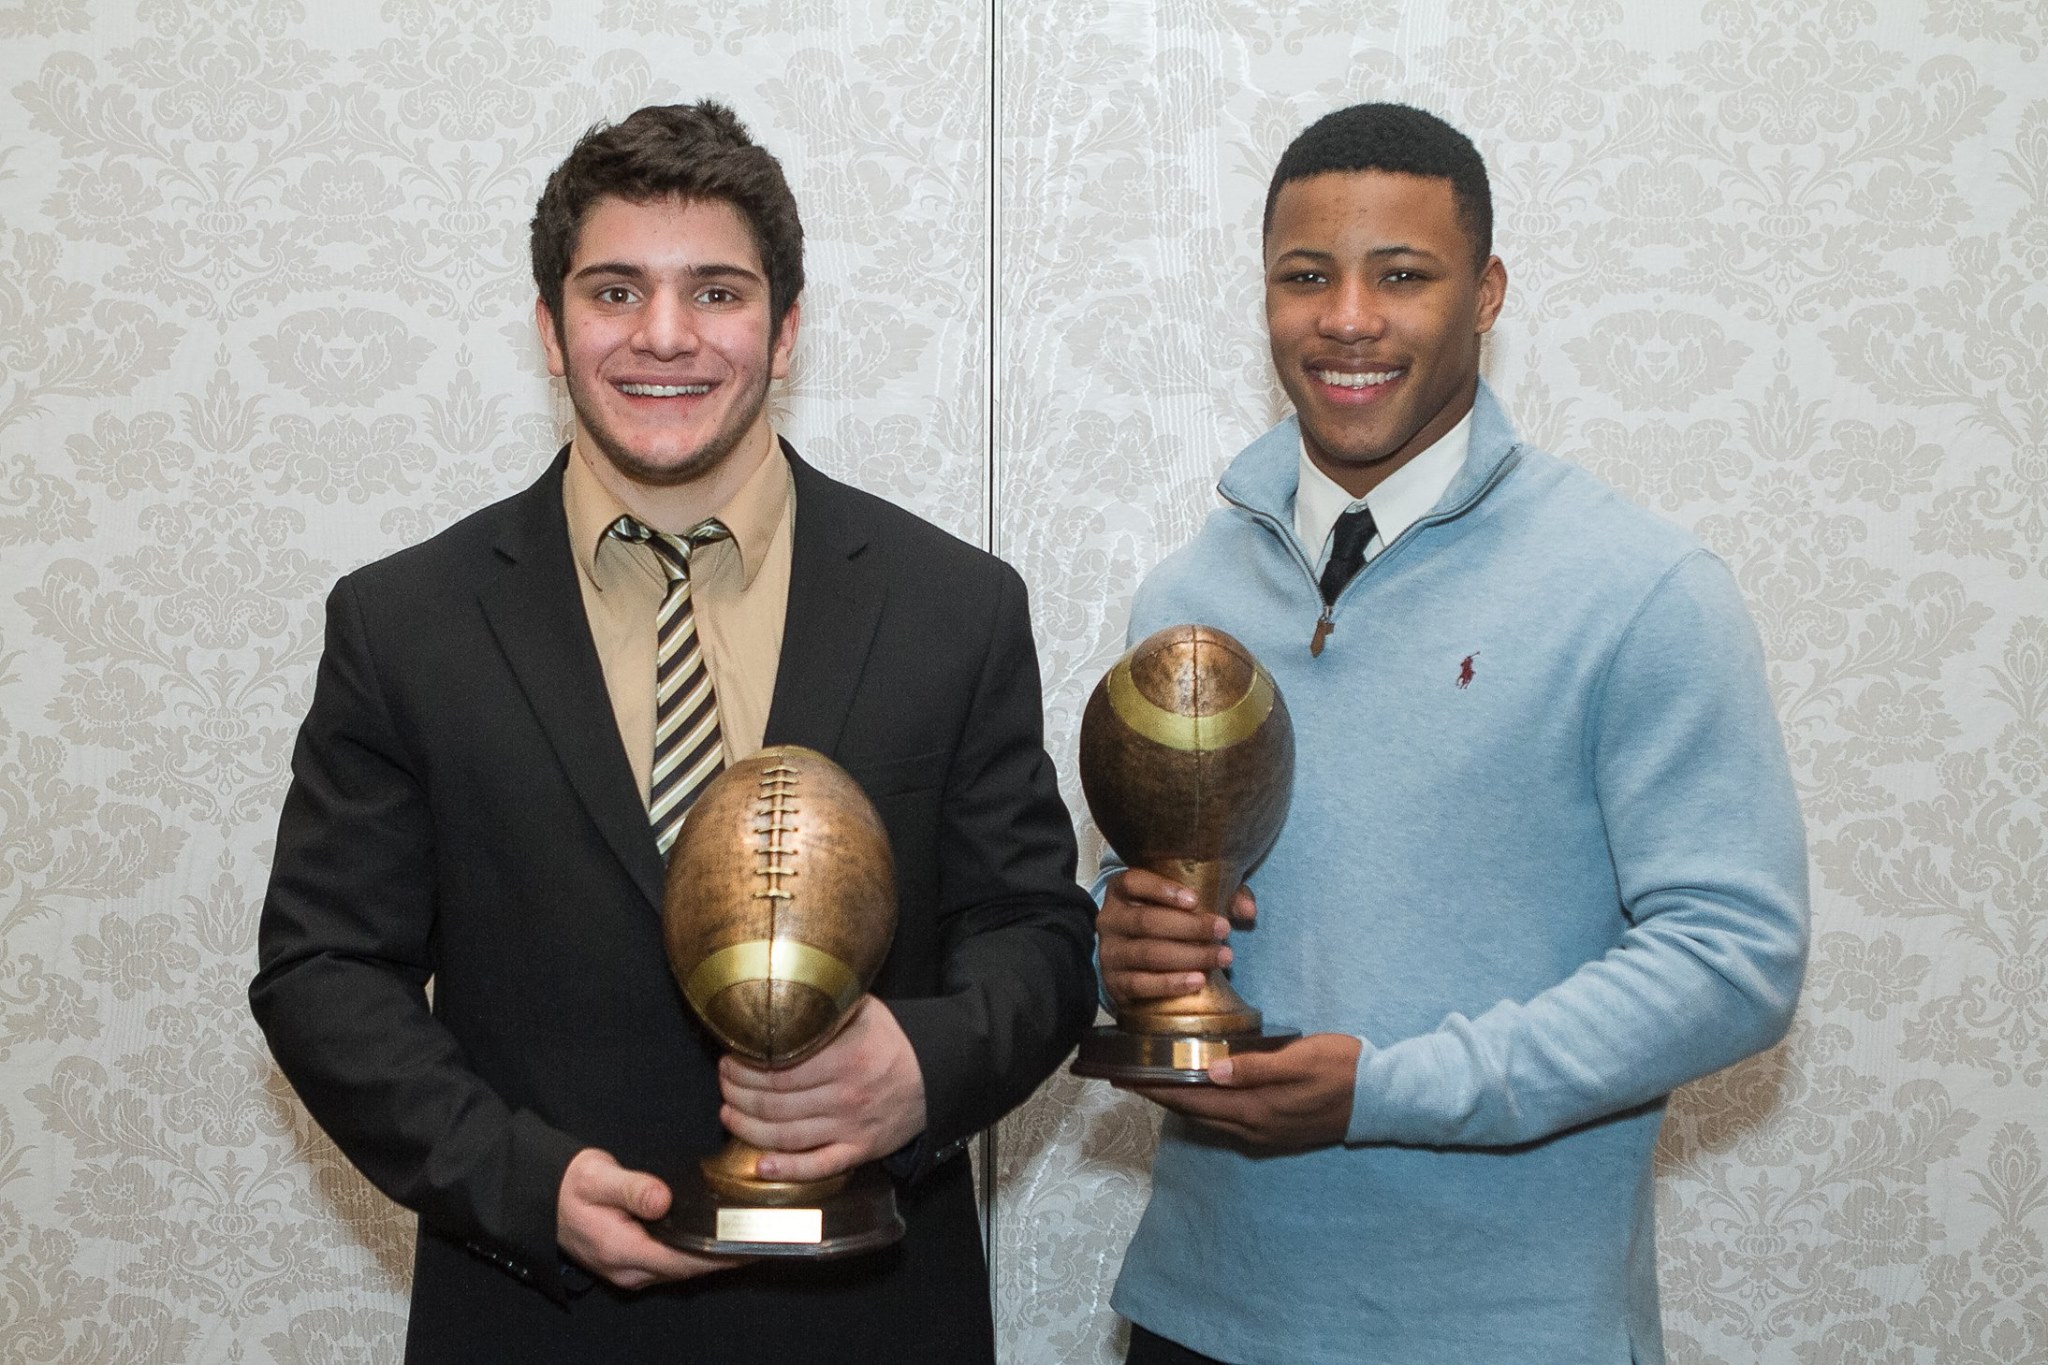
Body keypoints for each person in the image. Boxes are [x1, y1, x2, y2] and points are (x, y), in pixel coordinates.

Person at [250, 102, 1096, 1364]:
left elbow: (1036, 935)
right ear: (548, 329)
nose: (663, 336)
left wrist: (918, 1067)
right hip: (535, 1319)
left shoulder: (953, 607)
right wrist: (521, 1183)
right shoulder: (403, 623)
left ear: (786, 328)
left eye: (715, 291)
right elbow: (323, 973)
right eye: (613, 291)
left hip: (872, 1320)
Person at [1094, 102, 1808, 1365]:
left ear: (1484, 294)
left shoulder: (1636, 588)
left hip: (1510, 1332)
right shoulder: (1184, 600)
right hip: (1202, 1314)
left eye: (1402, 275)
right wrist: (1124, 934)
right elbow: (1149, 900)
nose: (1348, 317)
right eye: (1304, 276)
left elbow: (1733, 958)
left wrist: (1384, 1092)